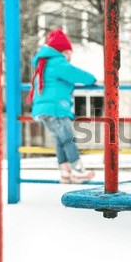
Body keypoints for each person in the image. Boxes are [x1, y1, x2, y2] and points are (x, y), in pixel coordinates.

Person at [27, 28, 96, 183]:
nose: (70, 56)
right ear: (62, 51)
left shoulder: (45, 63)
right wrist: (92, 79)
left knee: (60, 139)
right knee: (68, 139)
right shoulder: (58, 63)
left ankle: (65, 172)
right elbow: (77, 75)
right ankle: (77, 171)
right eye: (68, 52)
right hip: (55, 109)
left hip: (44, 109)